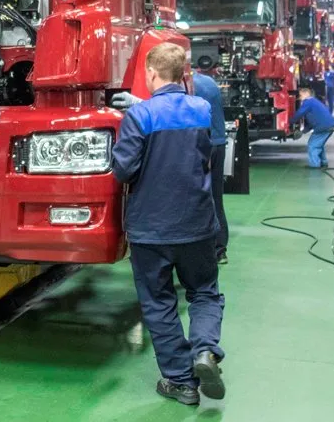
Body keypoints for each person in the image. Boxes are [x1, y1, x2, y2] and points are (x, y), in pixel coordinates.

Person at [110, 43, 225, 406]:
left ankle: (181, 382)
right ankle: (204, 350)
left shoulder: (140, 115)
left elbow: (124, 169)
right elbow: (209, 156)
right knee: (204, 291)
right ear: (182, 74)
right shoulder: (202, 109)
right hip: (197, 223)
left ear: (151, 73)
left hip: (151, 227)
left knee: (159, 301)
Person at [192, 72, 229, 265]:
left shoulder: (188, 85)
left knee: (197, 199)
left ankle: (198, 250)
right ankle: (220, 250)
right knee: (216, 198)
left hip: (203, 144)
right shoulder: (208, 81)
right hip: (218, 143)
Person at [292, 86, 334, 169]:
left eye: (300, 95)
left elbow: (299, 113)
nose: (300, 98)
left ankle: (315, 165)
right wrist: (303, 131)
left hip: (323, 127)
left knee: (312, 145)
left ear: (306, 93)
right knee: (319, 144)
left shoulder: (308, 102)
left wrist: (289, 121)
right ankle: (323, 163)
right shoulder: (314, 102)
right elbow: (312, 122)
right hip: (329, 125)